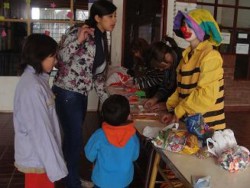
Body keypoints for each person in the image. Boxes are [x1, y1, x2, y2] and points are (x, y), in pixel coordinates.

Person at [52, 1, 117, 187]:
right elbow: (60, 59)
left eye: (115, 16)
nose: (114, 20)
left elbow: (96, 75)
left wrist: (108, 102)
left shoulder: (102, 38)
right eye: (110, 16)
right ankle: (71, 182)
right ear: (97, 17)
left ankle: (66, 176)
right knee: (75, 139)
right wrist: (78, 40)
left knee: (72, 139)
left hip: (80, 94)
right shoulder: (80, 31)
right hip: (66, 92)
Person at [13, 34, 68, 188]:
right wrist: (56, 167)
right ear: (39, 57)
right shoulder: (32, 87)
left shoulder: (38, 81)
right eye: (53, 57)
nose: (56, 61)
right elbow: (40, 132)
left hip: (42, 157)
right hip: (38, 158)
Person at [161, 9, 226, 130]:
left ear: (202, 29)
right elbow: (180, 91)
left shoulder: (211, 56)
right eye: (184, 25)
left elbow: (205, 95)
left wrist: (179, 110)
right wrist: (172, 110)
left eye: (190, 25)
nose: (185, 29)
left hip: (208, 129)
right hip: (190, 124)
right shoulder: (185, 57)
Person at [84, 94, 140, 188]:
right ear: (128, 116)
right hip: (123, 181)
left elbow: (89, 155)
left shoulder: (99, 135)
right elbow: (135, 157)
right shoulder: (132, 136)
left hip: (102, 181)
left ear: (103, 115)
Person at [142, 36, 183, 109]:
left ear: (167, 57)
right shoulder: (168, 64)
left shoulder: (185, 60)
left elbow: (185, 94)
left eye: (161, 67)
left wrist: (167, 105)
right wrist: (154, 99)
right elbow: (165, 87)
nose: (161, 70)